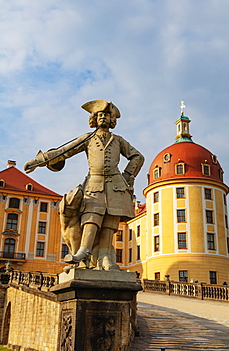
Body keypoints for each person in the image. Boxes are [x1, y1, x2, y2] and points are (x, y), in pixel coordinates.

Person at [24, 100, 144, 271]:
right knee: (91, 216)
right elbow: (64, 151)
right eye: (99, 115)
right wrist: (39, 161)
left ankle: (106, 259)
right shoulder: (88, 138)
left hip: (116, 184)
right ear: (94, 118)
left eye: (106, 115)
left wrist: (128, 176)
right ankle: (83, 251)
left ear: (112, 120)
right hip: (94, 182)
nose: (103, 117)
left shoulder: (118, 140)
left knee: (110, 222)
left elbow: (138, 157)